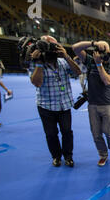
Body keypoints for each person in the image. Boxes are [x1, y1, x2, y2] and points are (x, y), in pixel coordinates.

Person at [29, 35, 81, 167]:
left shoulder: (63, 62)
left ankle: (68, 156)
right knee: (51, 134)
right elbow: (37, 83)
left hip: (64, 105)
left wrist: (67, 57)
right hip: (46, 105)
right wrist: (39, 62)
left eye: (54, 46)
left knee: (67, 132)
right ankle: (56, 156)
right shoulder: (35, 62)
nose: (51, 50)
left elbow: (78, 72)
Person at [72, 40, 110, 166]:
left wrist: (99, 65)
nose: (102, 54)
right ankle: (103, 154)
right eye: (100, 51)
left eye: (105, 51)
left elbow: (107, 81)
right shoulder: (90, 61)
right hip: (92, 104)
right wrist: (93, 43)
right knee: (96, 133)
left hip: (107, 104)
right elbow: (75, 48)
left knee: (108, 131)